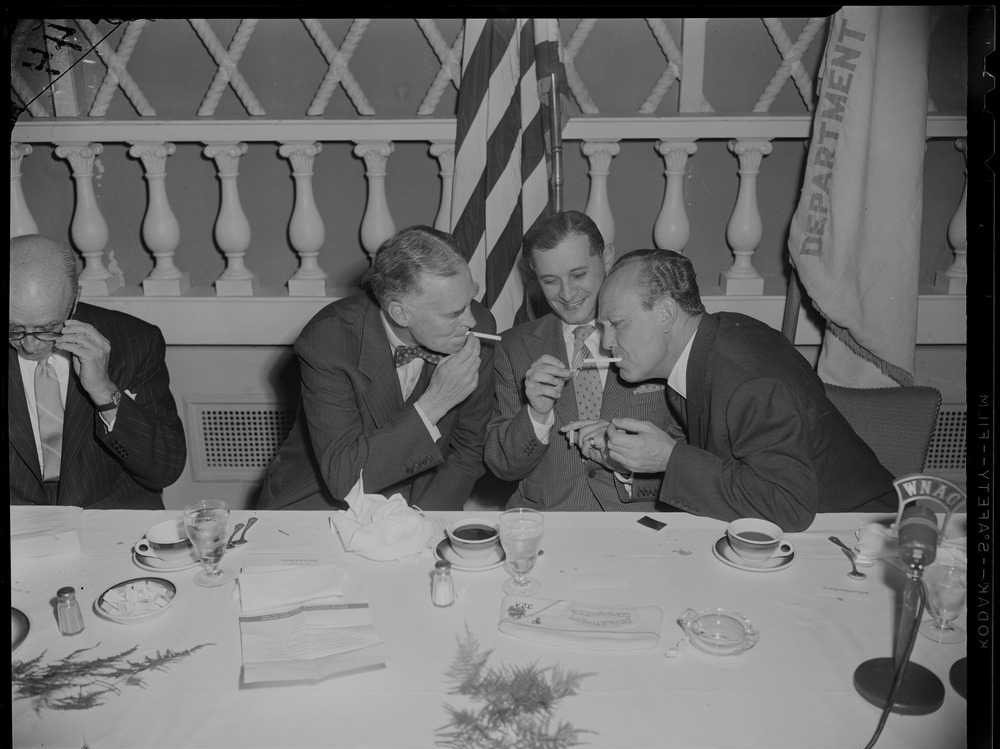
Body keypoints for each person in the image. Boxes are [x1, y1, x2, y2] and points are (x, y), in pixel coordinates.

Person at [584, 248, 897, 532]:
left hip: (860, 534)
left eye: (618, 323)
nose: (606, 342)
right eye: (603, 327)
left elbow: (788, 504)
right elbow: (723, 463)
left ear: (666, 313)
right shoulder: (705, 348)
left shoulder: (748, 380)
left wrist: (669, 457)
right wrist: (631, 456)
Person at [258, 225, 496, 511]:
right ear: (400, 313)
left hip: (422, 503)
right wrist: (435, 402)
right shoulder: (328, 341)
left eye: (471, 298)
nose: (471, 321)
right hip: (320, 505)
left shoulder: (479, 327)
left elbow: (468, 448)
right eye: (454, 313)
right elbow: (344, 478)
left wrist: (421, 522)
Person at [484, 211, 676, 510]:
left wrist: (625, 466)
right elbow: (502, 465)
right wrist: (536, 415)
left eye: (578, 275)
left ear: (608, 257)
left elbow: (690, 456)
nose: (567, 293)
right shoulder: (515, 346)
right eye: (550, 280)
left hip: (638, 526)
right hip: (548, 524)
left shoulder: (655, 333)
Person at [9, 234, 186, 509]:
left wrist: (105, 391)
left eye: (47, 328)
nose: (29, 345)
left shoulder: (135, 342)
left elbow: (165, 469)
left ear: (75, 299)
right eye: (14, 328)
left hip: (109, 511)